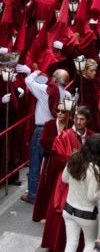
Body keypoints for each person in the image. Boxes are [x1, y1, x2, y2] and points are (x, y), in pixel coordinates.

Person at [41, 106, 94, 252]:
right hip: (66, 180)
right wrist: (74, 160)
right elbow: (58, 157)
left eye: (82, 119)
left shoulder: (91, 136)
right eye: (76, 118)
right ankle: (58, 246)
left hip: (85, 181)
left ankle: (78, 246)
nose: (78, 122)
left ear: (87, 121)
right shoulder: (64, 136)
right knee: (63, 211)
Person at [18, 67, 70, 204]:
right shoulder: (68, 95)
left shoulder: (44, 90)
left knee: (36, 161)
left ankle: (33, 194)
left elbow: (28, 81)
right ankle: (49, 192)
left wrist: (35, 72)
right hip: (59, 130)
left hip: (42, 129)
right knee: (51, 163)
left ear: (53, 79)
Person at [33, 101, 69, 222]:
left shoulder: (71, 125)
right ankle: (43, 214)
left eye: (63, 111)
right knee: (47, 186)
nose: (59, 113)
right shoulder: (49, 124)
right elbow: (43, 142)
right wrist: (59, 144)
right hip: (50, 160)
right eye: (57, 110)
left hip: (65, 163)